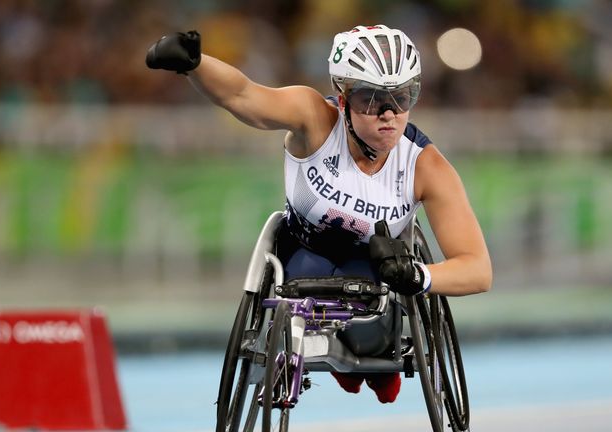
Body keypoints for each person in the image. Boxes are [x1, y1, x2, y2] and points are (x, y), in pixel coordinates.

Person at [146, 25, 492, 403]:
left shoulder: (425, 166)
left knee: (373, 330)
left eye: (403, 96)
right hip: (302, 259)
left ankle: (372, 371)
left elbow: (477, 269)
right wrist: (195, 63)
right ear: (343, 98)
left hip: (376, 274)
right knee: (299, 302)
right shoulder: (314, 117)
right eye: (372, 101)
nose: (389, 114)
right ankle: (337, 359)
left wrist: (418, 275)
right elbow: (243, 94)